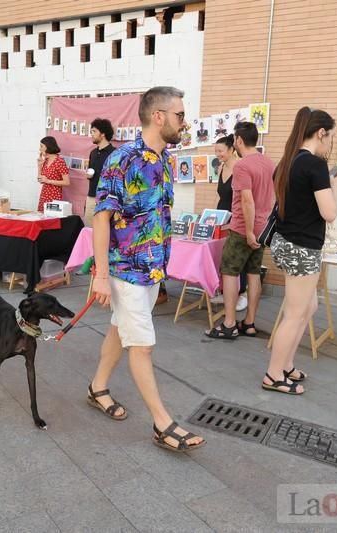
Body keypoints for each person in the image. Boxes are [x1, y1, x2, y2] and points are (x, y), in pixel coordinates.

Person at [89, 86, 205, 452]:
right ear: (158, 116)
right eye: (180, 115)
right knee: (142, 346)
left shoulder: (166, 159)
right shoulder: (122, 159)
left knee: (118, 331)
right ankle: (163, 423)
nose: (184, 122)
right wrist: (103, 275)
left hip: (154, 270)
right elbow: (101, 218)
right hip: (126, 272)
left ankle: (97, 387)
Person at [263, 107, 337, 395]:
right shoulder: (314, 165)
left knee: (307, 307)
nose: (330, 143)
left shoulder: (287, 162)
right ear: (321, 133)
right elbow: (329, 213)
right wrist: (335, 186)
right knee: (295, 313)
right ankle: (274, 374)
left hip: (287, 243)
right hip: (302, 247)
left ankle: (285, 364)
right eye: (331, 137)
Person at [205, 122, 274, 340]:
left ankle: (229, 323)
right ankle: (250, 322)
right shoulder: (269, 163)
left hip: (244, 228)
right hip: (262, 228)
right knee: (254, 273)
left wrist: (250, 232)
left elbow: (247, 200)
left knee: (230, 272)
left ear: (239, 141)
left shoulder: (242, 166)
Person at [209, 134, 248, 312]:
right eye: (216, 151)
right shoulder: (221, 167)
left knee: (237, 256)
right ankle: (226, 292)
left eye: (221, 151)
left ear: (232, 150)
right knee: (223, 256)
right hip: (221, 216)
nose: (218, 154)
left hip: (236, 216)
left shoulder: (241, 168)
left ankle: (242, 293)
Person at [85, 119, 115, 226]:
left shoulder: (114, 153)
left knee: (104, 230)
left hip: (107, 199)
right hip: (91, 196)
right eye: (91, 131)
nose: (91, 134)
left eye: (94, 131)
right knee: (88, 228)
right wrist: (88, 175)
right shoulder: (93, 153)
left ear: (103, 134)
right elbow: (90, 172)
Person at [36, 136, 70, 212]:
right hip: (44, 196)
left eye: (41, 146)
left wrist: (49, 181)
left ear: (48, 146)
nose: (40, 149)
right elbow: (40, 180)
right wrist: (39, 166)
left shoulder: (59, 161)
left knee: (51, 221)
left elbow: (67, 182)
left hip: (54, 197)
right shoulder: (46, 160)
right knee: (41, 219)